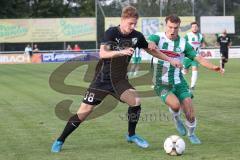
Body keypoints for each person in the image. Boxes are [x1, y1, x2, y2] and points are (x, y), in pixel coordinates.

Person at [51, 6, 181, 153]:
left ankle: (131, 135)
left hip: (120, 80)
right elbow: (103, 54)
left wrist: (170, 60)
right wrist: (122, 51)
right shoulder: (111, 32)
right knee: (83, 112)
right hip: (102, 79)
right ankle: (60, 139)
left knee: (136, 101)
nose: (132, 27)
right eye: (130, 23)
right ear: (123, 20)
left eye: (134, 24)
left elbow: (152, 51)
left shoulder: (137, 36)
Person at [148, 15, 223, 144]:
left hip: (179, 81)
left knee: (190, 112)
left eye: (175, 28)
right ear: (166, 26)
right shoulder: (158, 37)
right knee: (176, 105)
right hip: (161, 82)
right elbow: (150, 42)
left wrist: (213, 67)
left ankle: (191, 134)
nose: (172, 30)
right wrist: (151, 43)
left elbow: (198, 58)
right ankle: (176, 119)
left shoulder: (183, 43)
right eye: (170, 27)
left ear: (179, 28)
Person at [182, 22, 206, 91]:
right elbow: (182, 43)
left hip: (196, 56)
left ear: (198, 28)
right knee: (185, 72)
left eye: (196, 26)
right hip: (187, 57)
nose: (194, 28)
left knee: (195, 69)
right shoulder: (188, 35)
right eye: (193, 27)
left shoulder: (200, 36)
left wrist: (203, 46)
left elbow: (203, 44)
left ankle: (192, 86)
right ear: (191, 28)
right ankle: (179, 82)